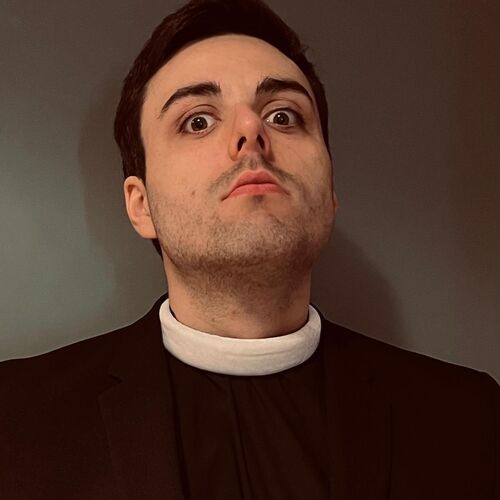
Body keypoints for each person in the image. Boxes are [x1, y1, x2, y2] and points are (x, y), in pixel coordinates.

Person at [1, 0, 498, 498]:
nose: (250, 132)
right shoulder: (15, 420)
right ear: (141, 204)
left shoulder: (471, 419)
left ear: (329, 192)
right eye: (197, 121)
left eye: (284, 115)